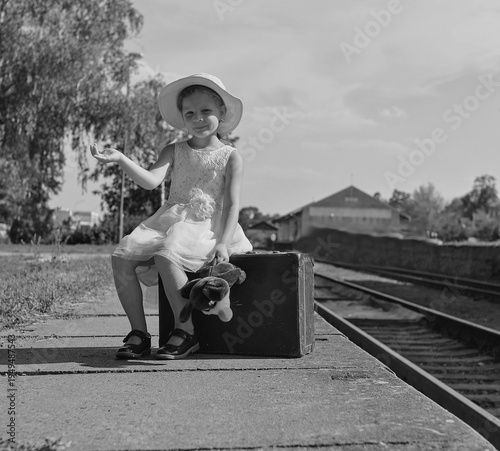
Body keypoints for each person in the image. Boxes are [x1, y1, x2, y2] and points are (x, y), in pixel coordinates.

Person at [90, 73, 252, 360]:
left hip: (208, 226)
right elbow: (151, 181)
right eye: (190, 113)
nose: (198, 118)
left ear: (222, 113)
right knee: (122, 257)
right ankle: (138, 333)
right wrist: (120, 159)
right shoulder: (174, 150)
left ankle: (185, 331)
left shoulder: (230, 156)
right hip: (172, 219)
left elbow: (231, 205)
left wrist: (223, 243)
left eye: (206, 111)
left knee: (167, 253)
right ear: (182, 117)